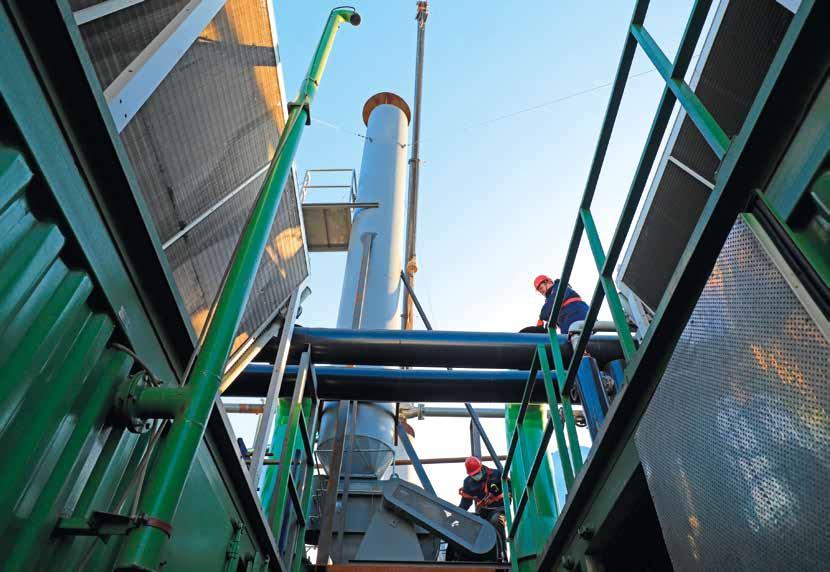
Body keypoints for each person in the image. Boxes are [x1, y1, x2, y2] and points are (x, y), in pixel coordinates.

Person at [458, 456, 506, 559]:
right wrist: (457, 515)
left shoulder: (497, 474)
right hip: (483, 512)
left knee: (496, 521)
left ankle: (502, 554)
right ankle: (481, 555)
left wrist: (503, 500)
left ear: (481, 467)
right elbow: (465, 503)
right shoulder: (468, 483)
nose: (476, 476)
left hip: (499, 509)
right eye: (473, 475)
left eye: (477, 473)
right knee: (472, 523)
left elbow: (509, 489)